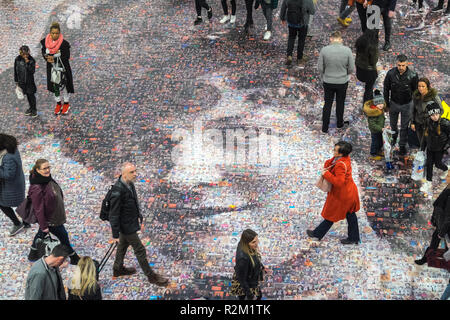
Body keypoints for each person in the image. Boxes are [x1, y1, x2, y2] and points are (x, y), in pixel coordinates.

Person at [110, 162, 169, 286]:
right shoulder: (118, 190)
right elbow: (113, 213)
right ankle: (151, 276)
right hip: (126, 226)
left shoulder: (129, 184)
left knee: (123, 245)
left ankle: (117, 268)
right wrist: (115, 234)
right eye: (132, 172)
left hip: (130, 222)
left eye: (135, 171)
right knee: (140, 249)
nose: (135, 174)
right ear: (124, 174)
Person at [27, 159, 80, 265]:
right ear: (37, 170)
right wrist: (43, 225)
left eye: (48, 167)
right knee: (63, 236)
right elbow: (39, 209)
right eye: (44, 168)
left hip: (53, 215)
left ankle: (33, 253)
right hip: (51, 218)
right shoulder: (37, 187)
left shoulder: (46, 179)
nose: (47, 170)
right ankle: (74, 257)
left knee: (41, 234)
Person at [307, 141, 361, 244]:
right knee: (350, 215)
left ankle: (317, 234)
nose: (333, 151)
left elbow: (339, 182)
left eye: (335, 150)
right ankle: (354, 238)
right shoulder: (344, 159)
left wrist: (327, 174)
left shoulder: (340, 165)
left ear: (341, 153)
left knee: (331, 215)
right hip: (349, 192)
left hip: (343, 194)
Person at [317, 31, 355, 133]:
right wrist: (344, 73)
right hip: (342, 81)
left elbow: (320, 68)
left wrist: (326, 74)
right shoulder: (347, 50)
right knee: (340, 103)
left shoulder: (324, 50)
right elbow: (351, 68)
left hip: (328, 81)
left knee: (327, 103)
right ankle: (339, 124)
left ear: (331, 39)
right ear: (341, 39)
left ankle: (324, 127)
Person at [383, 54, 418, 155]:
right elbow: (386, 89)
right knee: (393, 125)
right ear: (396, 64)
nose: (401, 67)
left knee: (404, 127)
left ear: (407, 64)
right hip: (394, 103)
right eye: (399, 65)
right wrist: (387, 103)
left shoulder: (413, 75)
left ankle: (402, 145)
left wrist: (414, 107)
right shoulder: (390, 74)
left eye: (403, 65)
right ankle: (394, 138)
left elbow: (415, 92)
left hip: (407, 104)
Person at [415, 170, 450, 265]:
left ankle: (430, 259)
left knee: (447, 249)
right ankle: (427, 258)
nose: (446, 178)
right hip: (441, 223)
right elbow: (438, 206)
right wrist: (434, 219)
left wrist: (442, 232)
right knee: (434, 243)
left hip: (446, 226)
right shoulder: (447, 190)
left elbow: (448, 216)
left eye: (448, 176)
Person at [40, 22, 74, 115]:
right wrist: (47, 57)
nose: (55, 35)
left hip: (63, 67)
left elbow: (67, 56)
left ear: (59, 33)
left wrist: (54, 57)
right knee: (55, 85)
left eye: (57, 33)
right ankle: (58, 103)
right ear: (50, 33)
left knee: (65, 84)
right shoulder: (45, 42)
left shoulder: (64, 43)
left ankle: (66, 103)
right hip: (52, 67)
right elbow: (43, 52)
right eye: (53, 33)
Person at [0, 133, 29, 236]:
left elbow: (8, 174)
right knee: (19, 203)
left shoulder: (8, 157)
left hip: (11, 187)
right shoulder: (12, 149)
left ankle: (18, 223)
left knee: (3, 204)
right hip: (14, 185)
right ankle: (26, 222)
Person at [419, 102, 450, 194]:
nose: (435, 117)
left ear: (439, 113)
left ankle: (445, 169)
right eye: (432, 115)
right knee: (429, 165)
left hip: (440, 148)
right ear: (429, 115)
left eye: (437, 114)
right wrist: (422, 149)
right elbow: (424, 136)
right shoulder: (427, 123)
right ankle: (428, 182)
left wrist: (446, 146)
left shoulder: (445, 123)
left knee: (438, 164)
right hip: (430, 147)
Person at [231, 229, 265, 300]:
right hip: (246, 284)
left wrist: (261, 266)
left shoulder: (245, 245)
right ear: (247, 243)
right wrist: (249, 294)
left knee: (259, 296)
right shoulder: (243, 258)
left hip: (250, 279)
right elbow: (242, 279)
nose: (257, 243)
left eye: (257, 240)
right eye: (253, 242)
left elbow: (254, 258)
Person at [280, 0, 316, 66]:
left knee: (291, 38)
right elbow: (312, 11)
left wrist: (282, 18)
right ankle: (299, 58)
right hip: (303, 23)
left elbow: (283, 7)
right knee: (301, 40)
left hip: (291, 22)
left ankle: (289, 55)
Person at [411, 77, 443, 147]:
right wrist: (412, 122)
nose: (421, 88)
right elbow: (413, 110)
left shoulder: (433, 96)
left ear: (427, 87)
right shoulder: (416, 96)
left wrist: (434, 119)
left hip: (430, 125)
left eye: (423, 86)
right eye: (419, 86)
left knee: (430, 144)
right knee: (422, 144)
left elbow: (441, 110)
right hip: (419, 123)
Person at [355, 29, 379, 103]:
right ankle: (366, 106)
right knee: (369, 88)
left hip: (359, 72)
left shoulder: (359, 43)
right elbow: (373, 61)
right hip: (369, 73)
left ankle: (370, 101)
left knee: (369, 88)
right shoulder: (372, 46)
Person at [14, 45, 37, 117]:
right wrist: (16, 81)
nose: (25, 55)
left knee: (31, 95)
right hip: (22, 82)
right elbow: (15, 70)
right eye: (23, 54)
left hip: (29, 81)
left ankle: (34, 109)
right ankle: (31, 108)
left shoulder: (31, 60)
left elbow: (32, 71)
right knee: (27, 95)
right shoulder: (17, 59)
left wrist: (27, 63)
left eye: (26, 54)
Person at [363, 89, 386, 160]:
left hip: (380, 128)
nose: (381, 105)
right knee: (375, 142)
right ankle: (373, 154)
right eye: (378, 104)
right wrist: (380, 128)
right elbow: (372, 124)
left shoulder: (379, 109)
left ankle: (378, 151)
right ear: (375, 104)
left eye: (382, 103)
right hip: (375, 130)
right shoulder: (373, 112)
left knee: (380, 141)